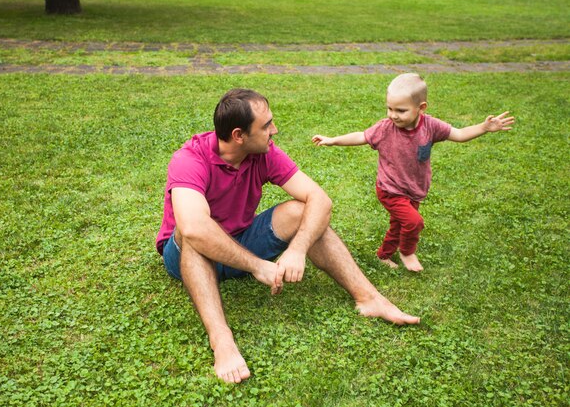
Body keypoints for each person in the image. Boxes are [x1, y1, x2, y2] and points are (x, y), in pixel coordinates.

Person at [156, 88, 420, 384]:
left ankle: (369, 298)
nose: (274, 130)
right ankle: (222, 339)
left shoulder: (264, 153)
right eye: (266, 125)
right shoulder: (190, 159)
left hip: (240, 241)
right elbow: (193, 228)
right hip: (186, 257)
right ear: (239, 135)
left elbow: (319, 199)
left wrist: (297, 249)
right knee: (192, 230)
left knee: (300, 211)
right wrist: (258, 266)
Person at [312, 73, 514, 272]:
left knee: (399, 225)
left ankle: (383, 255)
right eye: (389, 108)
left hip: (414, 189)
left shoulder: (431, 126)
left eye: (400, 110)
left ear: (421, 108)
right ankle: (407, 251)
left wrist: (484, 127)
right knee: (413, 222)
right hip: (390, 189)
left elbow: (459, 134)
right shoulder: (385, 128)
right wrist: (333, 140)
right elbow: (361, 136)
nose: (393, 115)